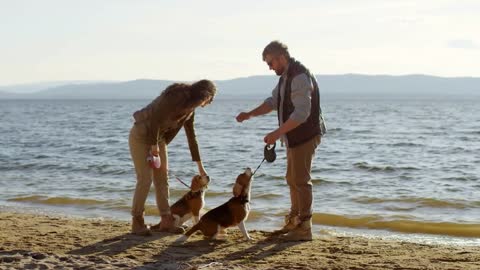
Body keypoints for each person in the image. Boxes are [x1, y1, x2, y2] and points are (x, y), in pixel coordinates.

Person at [236, 41, 326, 241]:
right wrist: (249, 114)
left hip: (306, 135)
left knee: (301, 180)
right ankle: (295, 221)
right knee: (292, 179)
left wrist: (277, 133)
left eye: (270, 62)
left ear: (281, 58)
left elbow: (302, 113)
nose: (269, 67)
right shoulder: (286, 77)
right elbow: (273, 102)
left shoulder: (300, 76)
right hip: (293, 136)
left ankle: (304, 226)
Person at [129, 79, 216, 235]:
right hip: (142, 134)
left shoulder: (190, 109)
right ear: (204, 94)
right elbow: (155, 118)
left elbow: (192, 137)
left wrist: (200, 167)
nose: (208, 103)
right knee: (145, 179)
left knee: (162, 178)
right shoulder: (177, 96)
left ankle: (166, 221)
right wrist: (153, 146)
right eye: (209, 99)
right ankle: (137, 221)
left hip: (159, 138)